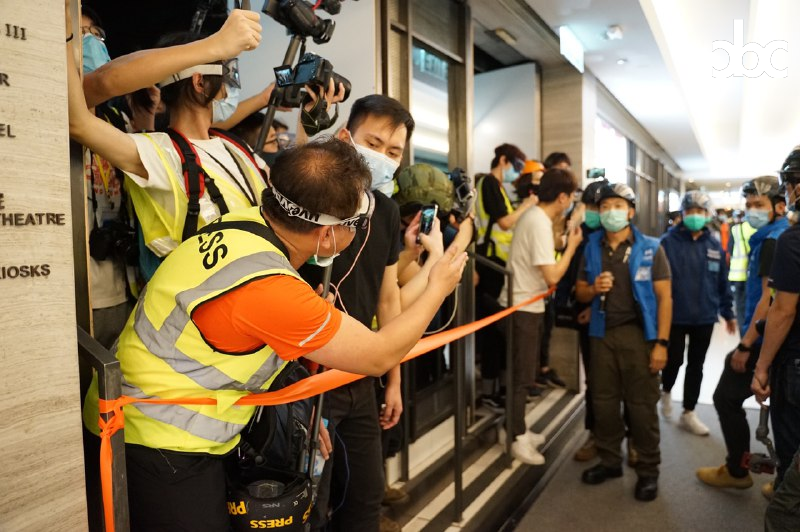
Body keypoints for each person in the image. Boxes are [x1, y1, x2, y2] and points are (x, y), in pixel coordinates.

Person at [81, 138, 467, 531]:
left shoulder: (242, 224)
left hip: (134, 416)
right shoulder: (272, 288)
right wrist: (438, 285)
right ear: (329, 236)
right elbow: (380, 354)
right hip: (162, 441)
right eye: (356, 224)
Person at [298, 95, 414, 532]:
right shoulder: (315, 198)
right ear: (346, 137)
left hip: (361, 375)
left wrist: (394, 378)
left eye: (394, 151)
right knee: (312, 500)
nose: (383, 157)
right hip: (309, 376)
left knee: (365, 496)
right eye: (374, 143)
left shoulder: (387, 211)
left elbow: (388, 298)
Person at [575, 183, 672, 502]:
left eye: (617, 206)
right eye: (604, 207)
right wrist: (593, 289)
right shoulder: (592, 246)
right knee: (603, 402)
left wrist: (662, 344)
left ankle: (648, 470)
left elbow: (665, 298)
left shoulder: (651, 248)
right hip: (602, 334)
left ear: (630, 212)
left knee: (641, 407)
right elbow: (580, 291)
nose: (610, 212)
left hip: (639, 336)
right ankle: (610, 461)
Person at [696, 176, 788, 493]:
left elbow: (769, 300)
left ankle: (737, 471)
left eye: (758, 204)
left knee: (726, 397)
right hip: (776, 338)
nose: (752, 211)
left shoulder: (774, 240)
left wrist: (747, 345)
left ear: (779, 206)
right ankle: (784, 483)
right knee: (783, 412)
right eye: (748, 205)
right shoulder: (774, 236)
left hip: (764, 340)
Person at [501, 168, 582, 464]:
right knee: (522, 377)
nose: (571, 202)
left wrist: (565, 238)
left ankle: (516, 428)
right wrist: (572, 247)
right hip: (522, 308)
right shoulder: (537, 222)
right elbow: (552, 276)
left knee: (524, 373)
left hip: (527, 305)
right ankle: (515, 438)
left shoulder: (539, 219)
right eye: (571, 197)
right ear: (562, 197)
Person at [660, 191, 736, 435]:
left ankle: (689, 412)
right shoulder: (667, 242)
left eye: (699, 211)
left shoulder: (713, 245)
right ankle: (666, 391)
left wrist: (728, 312)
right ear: (682, 214)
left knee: (696, 365)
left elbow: (722, 282)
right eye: (690, 211)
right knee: (673, 360)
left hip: (704, 315)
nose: (694, 215)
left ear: (707, 215)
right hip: (675, 315)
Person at [752, 150, 800, 523]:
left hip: (795, 365)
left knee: (791, 461)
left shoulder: (791, 241)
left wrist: (762, 366)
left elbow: (782, 310)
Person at [475, 144, 537, 406]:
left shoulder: (498, 187)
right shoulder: (489, 183)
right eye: (517, 166)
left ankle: (499, 388)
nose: (518, 173)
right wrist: (528, 205)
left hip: (498, 264)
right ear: (503, 160)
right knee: (493, 331)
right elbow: (504, 222)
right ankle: (490, 391)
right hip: (490, 264)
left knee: (500, 332)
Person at [728, 218, 756, 336]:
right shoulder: (756, 229)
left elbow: (730, 249)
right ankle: (751, 333)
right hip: (751, 274)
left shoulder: (735, 229)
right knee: (751, 306)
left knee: (740, 308)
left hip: (737, 274)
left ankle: (743, 335)